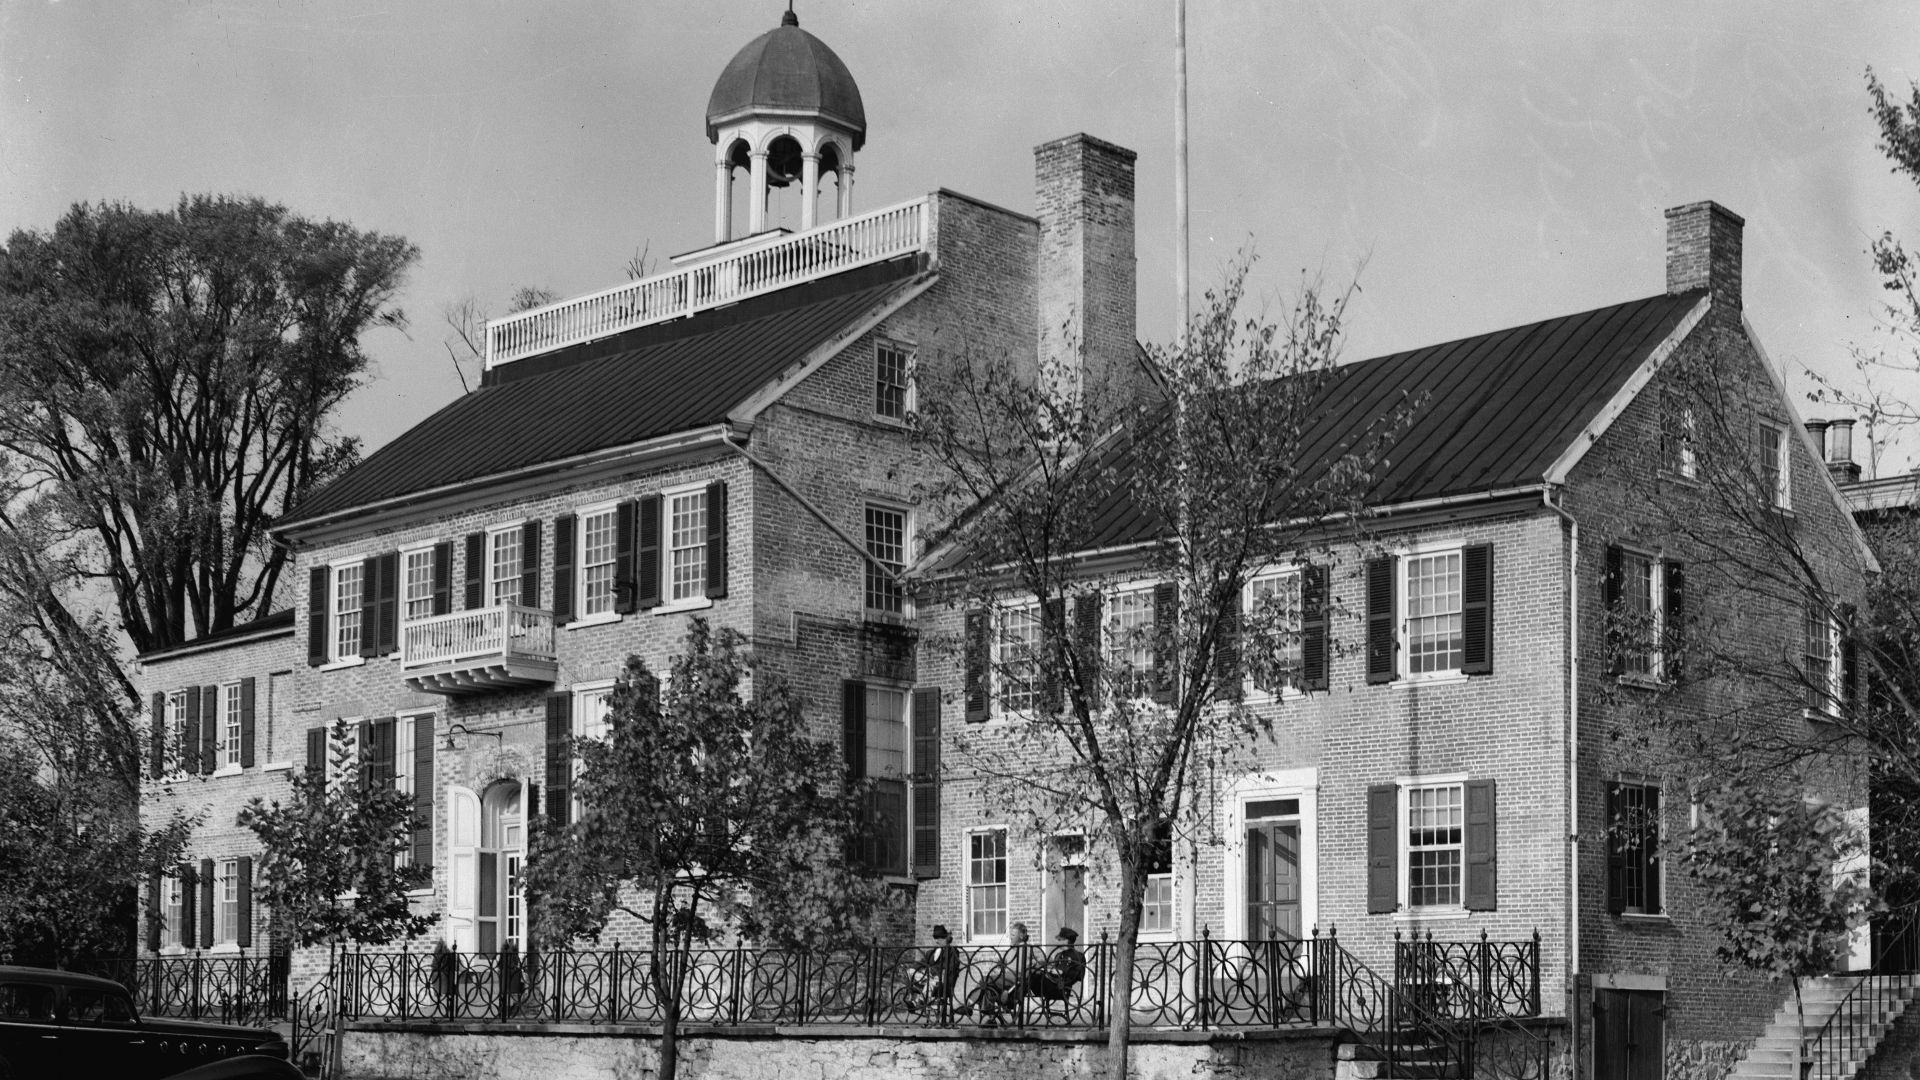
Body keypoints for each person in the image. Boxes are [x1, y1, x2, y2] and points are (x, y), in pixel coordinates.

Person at [962, 922, 1029, 1025]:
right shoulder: (1011, 951)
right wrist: (998, 964)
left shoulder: (1029, 949)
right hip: (1005, 979)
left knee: (985, 979)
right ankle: (990, 1019)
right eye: (1010, 935)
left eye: (1013, 935)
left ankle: (969, 1005)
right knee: (987, 989)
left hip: (1016, 982)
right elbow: (1003, 963)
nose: (1010, 938)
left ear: (1021, 936)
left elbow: (1042, 963)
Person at [1025, 927, 1086, 1010]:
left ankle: (1013, 998)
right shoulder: (1059, 955)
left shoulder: (1078, 956)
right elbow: (1053, 969)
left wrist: (1062, 972)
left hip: (1061, 988)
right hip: (1051, 983)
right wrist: (1045, 969)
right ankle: (1015, 995)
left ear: (1066, 941)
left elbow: (1080, 975)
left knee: (1029, 979)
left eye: (1059, 940)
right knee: (1030, 974)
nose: (1057, 942)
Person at [912, 924, 962, 1019]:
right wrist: (912, 969)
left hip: (943, 982)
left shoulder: (952, 952)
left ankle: (917, 1002)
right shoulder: (931, 952)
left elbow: (951, 968)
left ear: (945, 938)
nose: (936, 941)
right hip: (929, 978)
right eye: (935, 938)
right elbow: (921, 963)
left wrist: (933, 972)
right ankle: (918, 1000)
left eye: (939, 938)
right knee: (911, 972)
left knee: (930, 984)